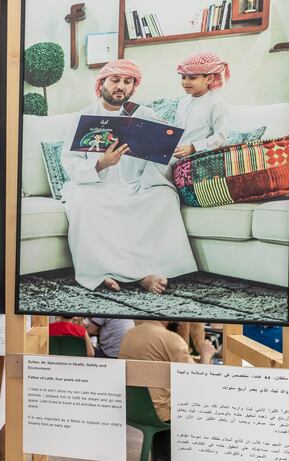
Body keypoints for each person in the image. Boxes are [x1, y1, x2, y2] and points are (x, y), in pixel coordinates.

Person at [61, 59, 197, 294]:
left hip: (137, 185)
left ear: (134, 86)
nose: (121, 86)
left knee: (164, 197)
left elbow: (162, 157)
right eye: (115, 80)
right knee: (83, 204)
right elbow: (69, 162)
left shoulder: (145, 114)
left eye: (127, 81)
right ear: (102, 82)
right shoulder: (83, 117)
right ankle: (111, 273)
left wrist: (166, 148)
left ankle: (144, 270)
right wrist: (100, 164)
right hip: (95, 186)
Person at [119, 321, 206, 461]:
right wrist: (206, 354)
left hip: (130, 408)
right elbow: (199, 378)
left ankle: (162, 456)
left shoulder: (131, 333)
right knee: (200, 402)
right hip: (156, 413)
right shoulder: (171, 339)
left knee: (163, 393)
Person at [172, 51, 230, 159]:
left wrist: (193, 148)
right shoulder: (183, 102)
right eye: (183, 77)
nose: (185, 82)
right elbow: (176, 132)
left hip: (197, 157)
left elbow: (220, 137)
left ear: (209, 79)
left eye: (192, 78)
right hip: (176, 155)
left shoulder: (216, 103)